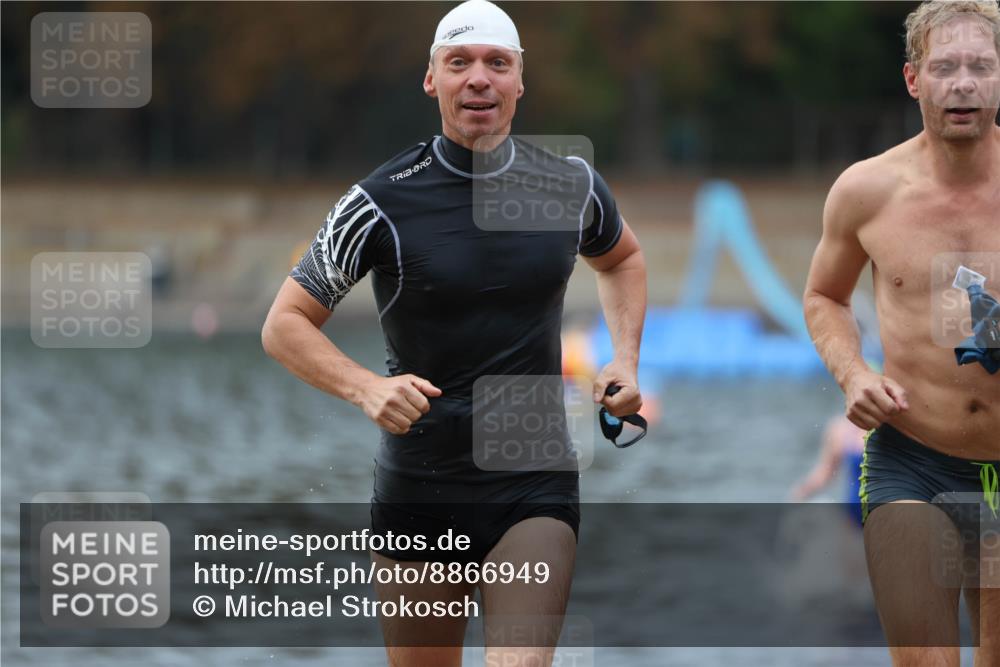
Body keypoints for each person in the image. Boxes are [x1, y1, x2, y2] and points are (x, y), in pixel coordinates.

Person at [261, 1, 647, 665]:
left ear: (519, 80)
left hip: (533, 481)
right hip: (421, 484)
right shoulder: (378, 201)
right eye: (459, 62)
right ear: (431, 79)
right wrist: (365, 388)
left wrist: (626, 360)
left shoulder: (569, 184)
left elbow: (622, 259)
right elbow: (283, 324)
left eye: (497, 63)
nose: (478, 78)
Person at [802, 1, 1000, 664]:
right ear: (914, 79)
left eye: (980, 66)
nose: (963, 83)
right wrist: (854, 373)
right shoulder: (867, 190)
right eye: (945, 67)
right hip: (912, 458)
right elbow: (824, 296)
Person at [790, 414, 868, 527]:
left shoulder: (889, 424)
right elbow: (825, 472)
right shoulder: (842, 429)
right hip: (852, 516)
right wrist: (801, 492)